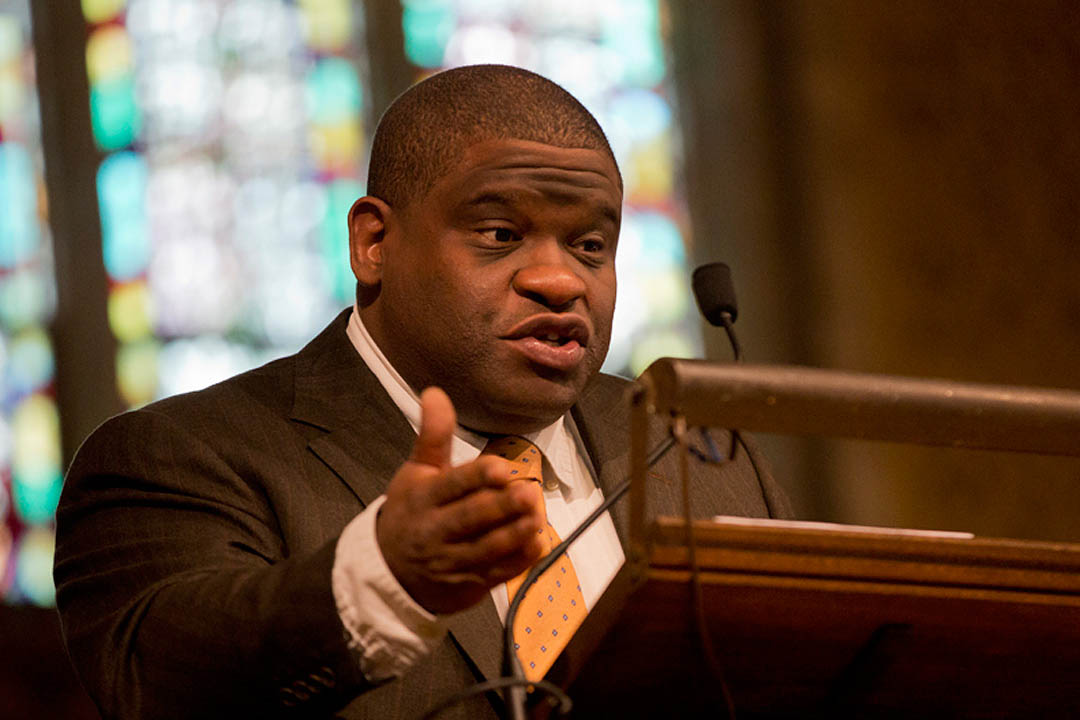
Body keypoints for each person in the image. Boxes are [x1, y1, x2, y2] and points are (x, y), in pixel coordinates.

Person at [54, 65, 791, 719]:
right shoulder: (182, 458)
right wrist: (384, 579)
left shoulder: (696, 459)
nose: (562, 280)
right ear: (374, 244)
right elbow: (156, 682)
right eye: (500, 234)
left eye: (590, 246)